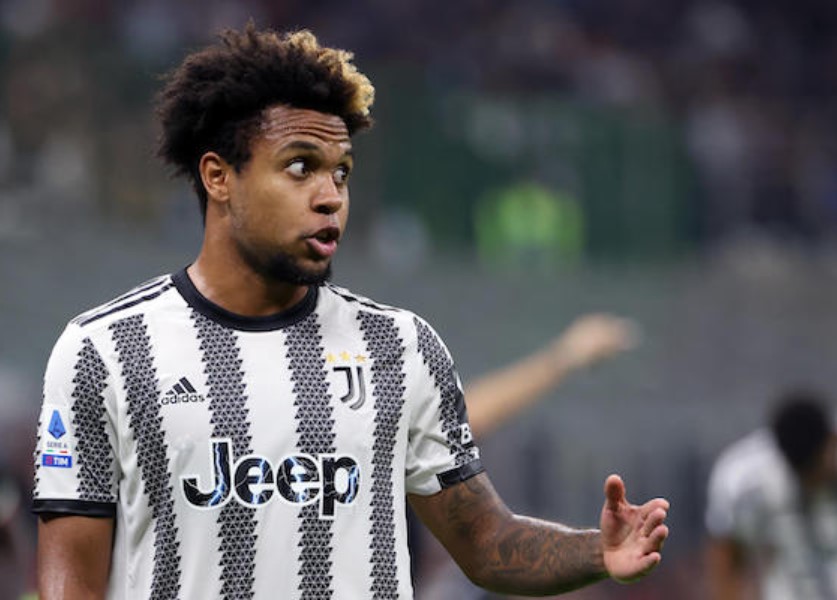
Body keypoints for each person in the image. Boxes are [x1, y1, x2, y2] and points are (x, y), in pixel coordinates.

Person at [32, 24, 669, 599]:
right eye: (300, 167)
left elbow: (486, 542)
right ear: (219, 176)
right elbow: (71, 580)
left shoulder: (400, 346)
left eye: (341, 173)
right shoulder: (103, 352)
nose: (330, 196)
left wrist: (599, 551)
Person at [705, 389, 837, 599]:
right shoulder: (746, 481)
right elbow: (727, 560)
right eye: (803, 474)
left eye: (814, 469)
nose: (811, 482)